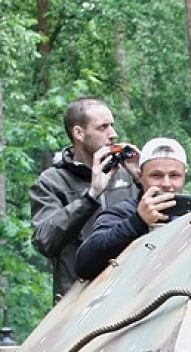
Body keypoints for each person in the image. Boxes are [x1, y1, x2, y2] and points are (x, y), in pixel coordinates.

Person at [29, 97, 141, 298]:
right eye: (103, 128)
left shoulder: (124, 174)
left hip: (128, 292)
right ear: (79, 133)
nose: (113, 134)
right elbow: (45, 241)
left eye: (112, 126)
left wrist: (142, 180)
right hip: (77, 298)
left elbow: (158, 223)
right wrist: (90, 197)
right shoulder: (52, 182)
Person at [74, 138, 190, 282]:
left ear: (185, 175)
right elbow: (84, 264)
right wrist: (138, 221)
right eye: (156, 176)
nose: (166, 184)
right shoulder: (122, 213)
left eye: (174, 176)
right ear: (140, 176)